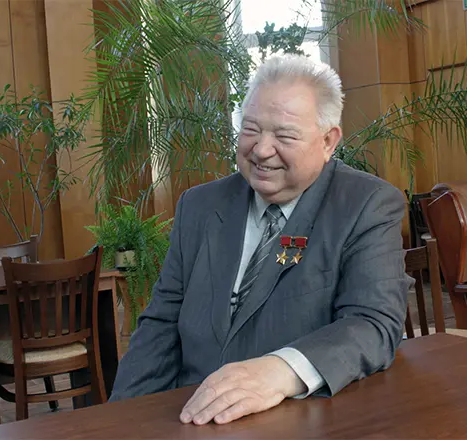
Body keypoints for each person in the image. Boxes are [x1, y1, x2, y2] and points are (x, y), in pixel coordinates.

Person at [109, 54, 412, 425]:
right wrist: (118, 419)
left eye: (284, 135)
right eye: (251, 129)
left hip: (296, 418)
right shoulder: (200, 206)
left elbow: (374, 324)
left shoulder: (365, 205)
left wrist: (281, 370)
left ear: (328, 141)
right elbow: (160, 326)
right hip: (189, 415)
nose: (262, 149)